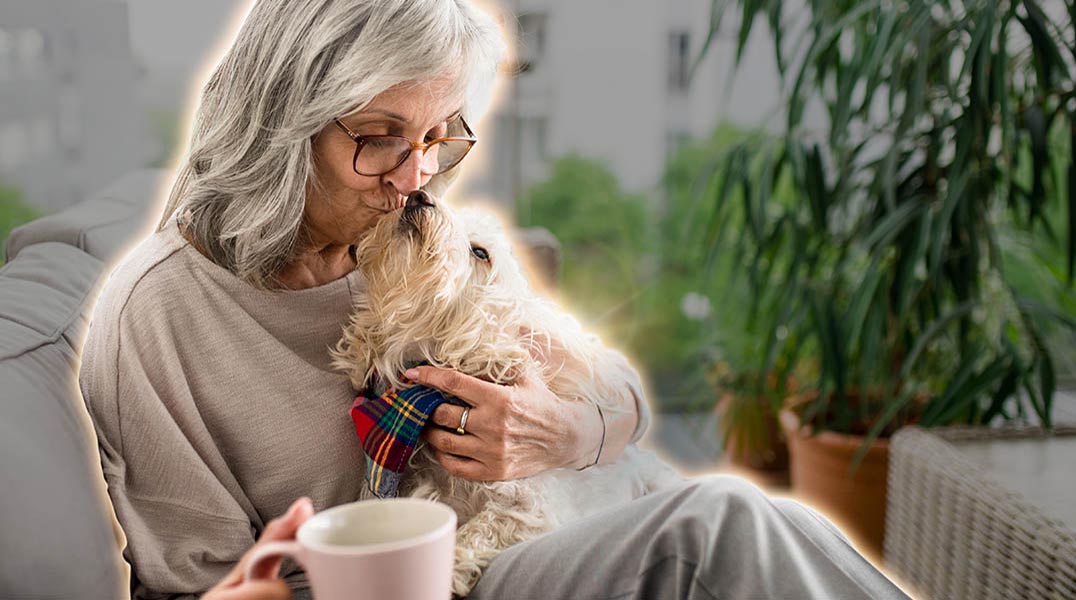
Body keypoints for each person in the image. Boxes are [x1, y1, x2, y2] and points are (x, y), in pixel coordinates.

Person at [78, 0, 911, 598]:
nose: (416, 179)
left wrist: (567, 431)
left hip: (536, 528)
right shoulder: (157, 317)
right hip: (417, 579)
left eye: (439, 136)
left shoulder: (412, 233)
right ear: (279, 125)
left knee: (734, 522)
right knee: (716, 524)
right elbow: (200, 584)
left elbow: (612, 388)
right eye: (378, 140)